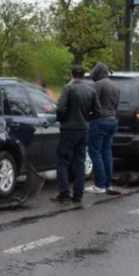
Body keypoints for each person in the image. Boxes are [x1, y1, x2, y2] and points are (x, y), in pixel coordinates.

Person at [51, 65, 101, 204]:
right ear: (84, 75)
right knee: (80, 161)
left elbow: (60, 109)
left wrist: (61, 119)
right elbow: (98, 112)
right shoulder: (91, 90)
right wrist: (86, 119)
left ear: (71, 74)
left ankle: (64, 193)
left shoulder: (69, 88)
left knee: (62, 160)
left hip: (68, 129)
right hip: (83, 130)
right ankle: (78, 194)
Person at [85, 62, 121, 195]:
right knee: (107, 152)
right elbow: (116, 106)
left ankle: (99, 184)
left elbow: (90, 104)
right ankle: (108, 185)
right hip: (112, 121)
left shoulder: (98, 85)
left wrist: (88, 116)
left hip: (99, 121)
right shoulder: (115, 86)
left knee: (95, 152)